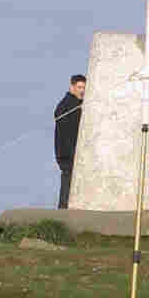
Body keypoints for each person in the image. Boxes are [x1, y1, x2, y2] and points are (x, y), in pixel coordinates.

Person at [54, 74, 86, 208]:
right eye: (79, 87)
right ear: (72, 87)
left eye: (84, 87)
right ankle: (63, 209)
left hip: (72, 151)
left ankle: (67, 208)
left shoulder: (78, 104)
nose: (82, 90)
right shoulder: (67, 104)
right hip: (68, 151)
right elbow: (59, 116)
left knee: (74, 181)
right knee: (68, 180)